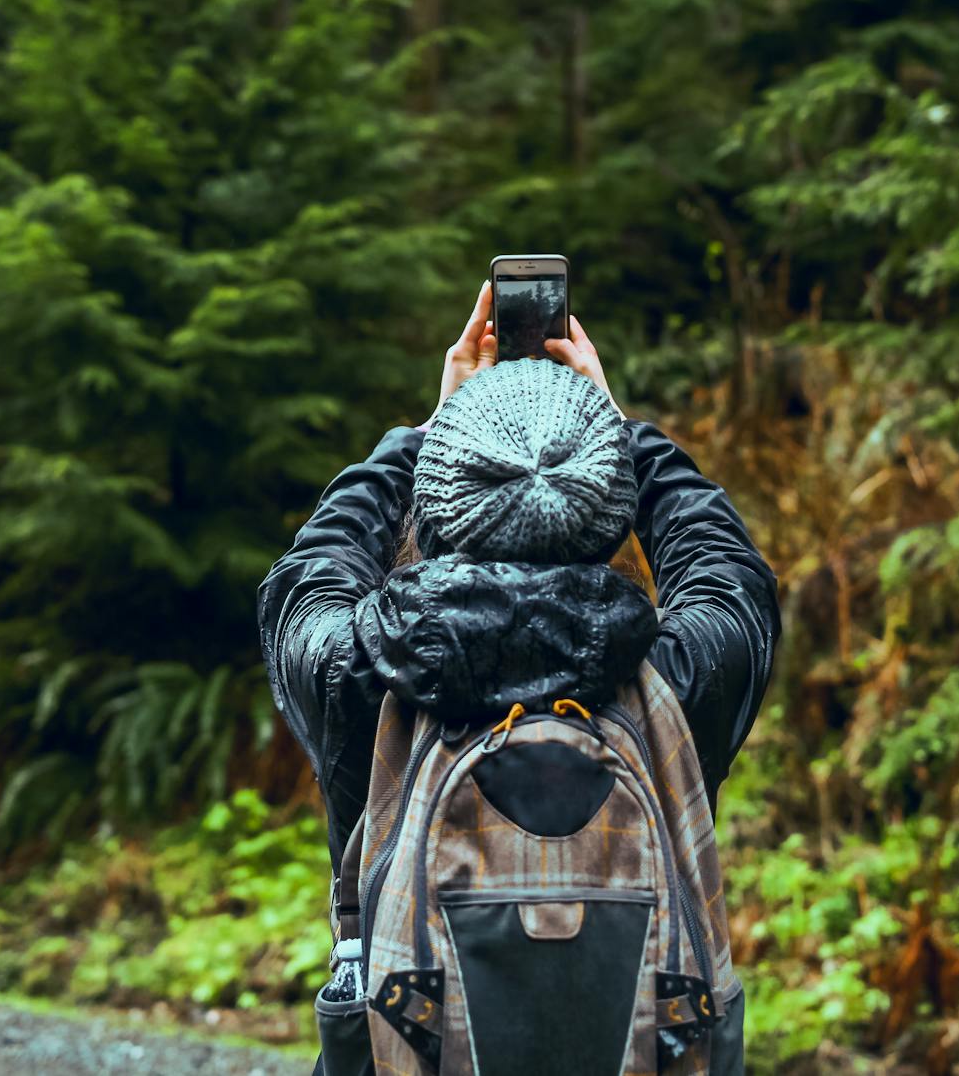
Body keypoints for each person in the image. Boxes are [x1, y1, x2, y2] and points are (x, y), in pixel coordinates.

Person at [257, 280, 778, 1071]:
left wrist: (423, 437)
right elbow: (728, 571)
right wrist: (618, 432)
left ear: (436, 508)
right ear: (610, 509)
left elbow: (308, 574)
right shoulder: (676, 682)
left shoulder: (362, 677)